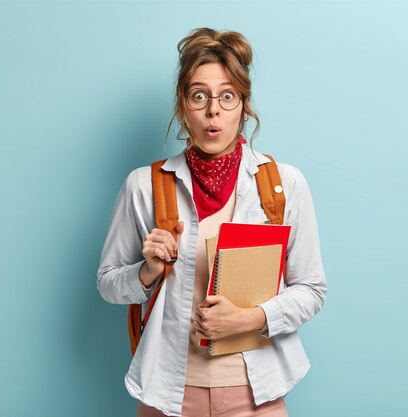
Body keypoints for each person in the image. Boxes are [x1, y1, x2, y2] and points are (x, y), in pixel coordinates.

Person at [97, 27, 327, 417]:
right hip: (169, 397)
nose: (213, 111)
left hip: (256, 397)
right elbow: (108, 284)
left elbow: (312, 289)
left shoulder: (282, 184)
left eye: (227, 96)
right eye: (199, 95)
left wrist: (248, 319)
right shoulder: (145, 186)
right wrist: (147, 273)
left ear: (244, 103)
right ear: (183, 104)